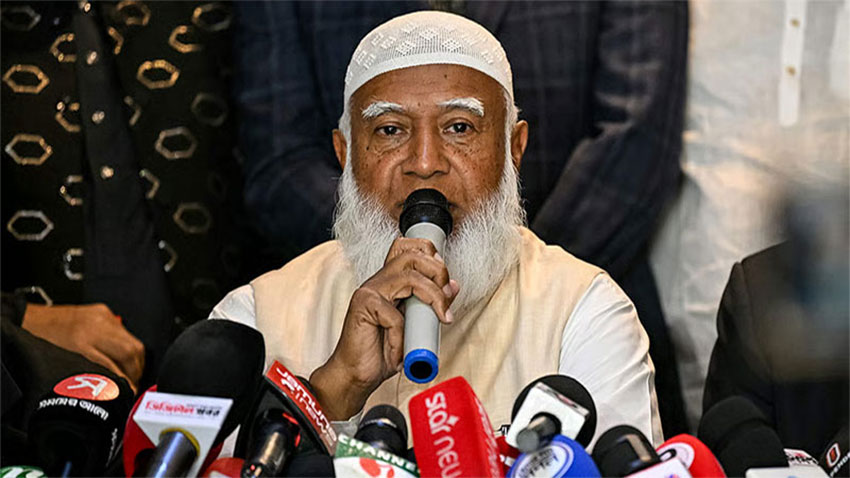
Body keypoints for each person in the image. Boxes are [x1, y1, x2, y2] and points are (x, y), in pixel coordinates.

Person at [233, 0, 689, 434]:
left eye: (459, 127)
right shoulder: (256, 318)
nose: (425, 163)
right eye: (390, 130)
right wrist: (335, 390)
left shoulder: (585, 314)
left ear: (514, 149)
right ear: (345, 155)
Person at [1, 1, 255, 390]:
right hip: (31, 390)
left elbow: (279, 161)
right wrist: (21, 319)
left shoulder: (213, 14)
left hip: (226, 368)